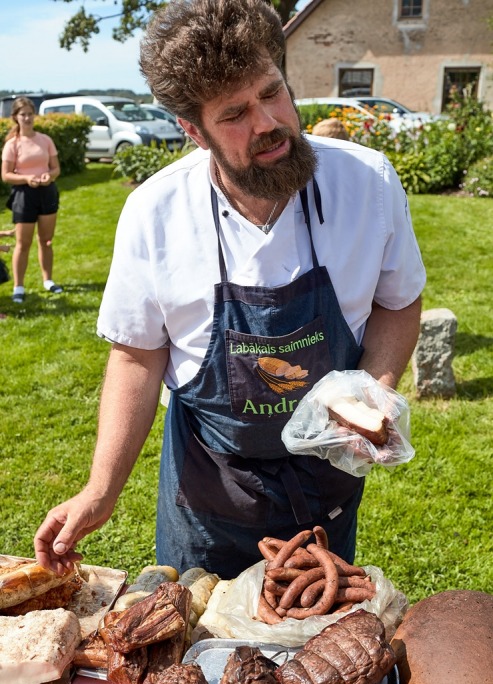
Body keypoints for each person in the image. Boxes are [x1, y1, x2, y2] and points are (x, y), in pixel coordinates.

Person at [34, 0, 425, 580]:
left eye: (272, 93)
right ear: (194, 131)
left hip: (326, 487)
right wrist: (100, 488)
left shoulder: (367, 183)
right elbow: (138, 355)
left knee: (316, 648)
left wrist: (375, 391)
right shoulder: (155, 213)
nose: (267, 122)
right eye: (236, 113)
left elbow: (398, 301)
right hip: (210, 494)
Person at [1, 97, 62, 304]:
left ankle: (48, 280)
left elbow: (56, 168)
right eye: (22, 114)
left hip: (47, 193)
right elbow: (6, 175)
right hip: (23, 196)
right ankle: (19, 287)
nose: (27, 118)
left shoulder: (45, 140)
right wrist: (27, 178)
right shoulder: (12, 144)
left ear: (34, 115)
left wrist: (49, 177)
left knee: (46, 241)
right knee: (22, 243)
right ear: (16, 117)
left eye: (29, 113)